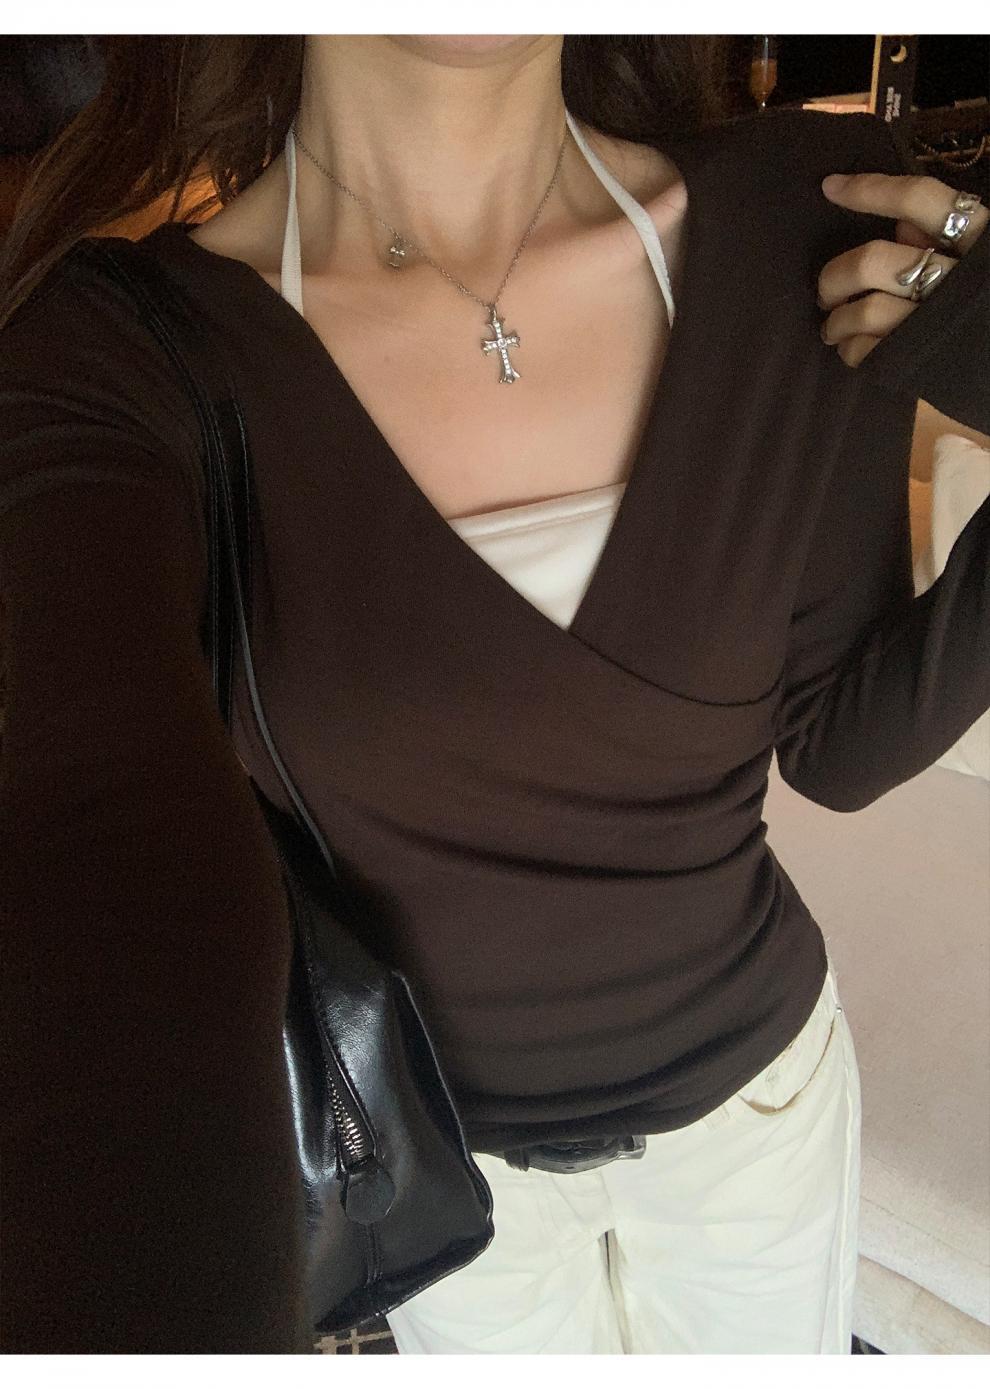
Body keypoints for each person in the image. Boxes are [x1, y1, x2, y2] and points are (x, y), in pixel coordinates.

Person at [1, 34, 987, 1355]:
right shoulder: (119, 357)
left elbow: (839, 744)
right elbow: (89, 859)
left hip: (759, 1121)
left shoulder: (805, 212)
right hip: (437, 1170)